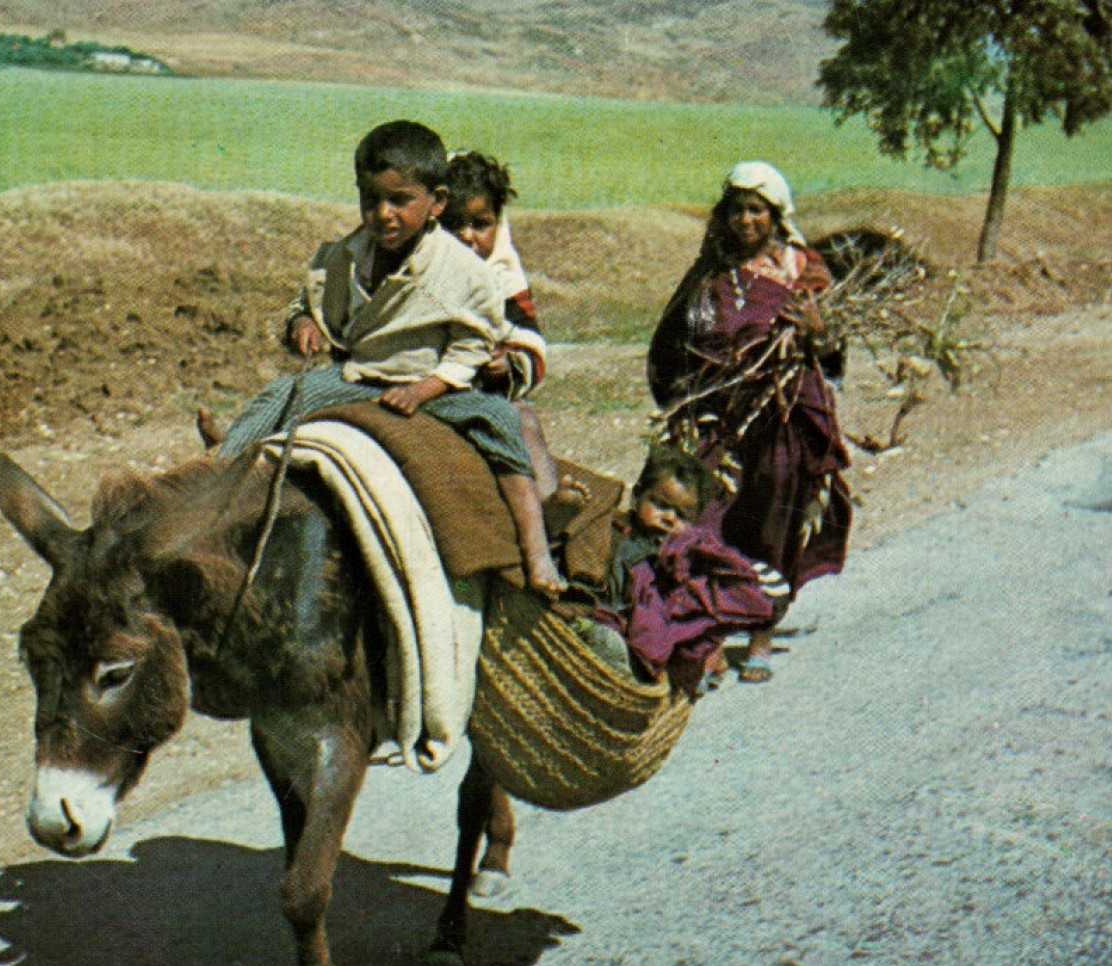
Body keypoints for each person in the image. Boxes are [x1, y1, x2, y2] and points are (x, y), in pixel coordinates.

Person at [211, 120, 568, 598]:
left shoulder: (462, 271)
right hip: (359, 377)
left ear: (436, 203)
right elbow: (313, 300)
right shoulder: (347, 254)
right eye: (370, 199)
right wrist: (306, 324)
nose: (383, 214)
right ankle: (221, 463)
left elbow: (471, 347)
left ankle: (537, 548)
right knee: (285, 393)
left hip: (433, 383)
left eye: (400, 200)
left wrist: (425, 389)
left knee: (502, 419)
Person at [646, 161, 853, 683]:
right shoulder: (709, 271)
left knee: (776, 518)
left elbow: (832, 355)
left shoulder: (802, 269)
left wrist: (816, 330)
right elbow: (676, 337)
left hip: (784, 412)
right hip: (719, 412)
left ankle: (761, 632)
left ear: (776, 214)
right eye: (736, 210)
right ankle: (707, 636)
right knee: (707, 516)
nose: (745, 220)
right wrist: (682, 395)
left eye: (756, 209)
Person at [576, 443, 782, 694]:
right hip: (617, 609)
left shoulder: (683, 547)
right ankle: (612, 650)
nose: (670, 518)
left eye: (681, 515)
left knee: (671, 626)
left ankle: (669, 665)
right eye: (660, 504)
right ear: (637, 495)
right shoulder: (618, 530)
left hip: (655, 617)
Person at [439, 149, 565, 499]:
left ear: (498, 222)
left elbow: (527, 335)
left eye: (480, 224)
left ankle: (550, 506)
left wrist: (509, 363)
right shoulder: (422, 271)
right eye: (453, 225)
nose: (467, 236)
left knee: (523, 421)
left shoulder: (501, 277)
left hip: (481, 394)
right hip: (427, 387)